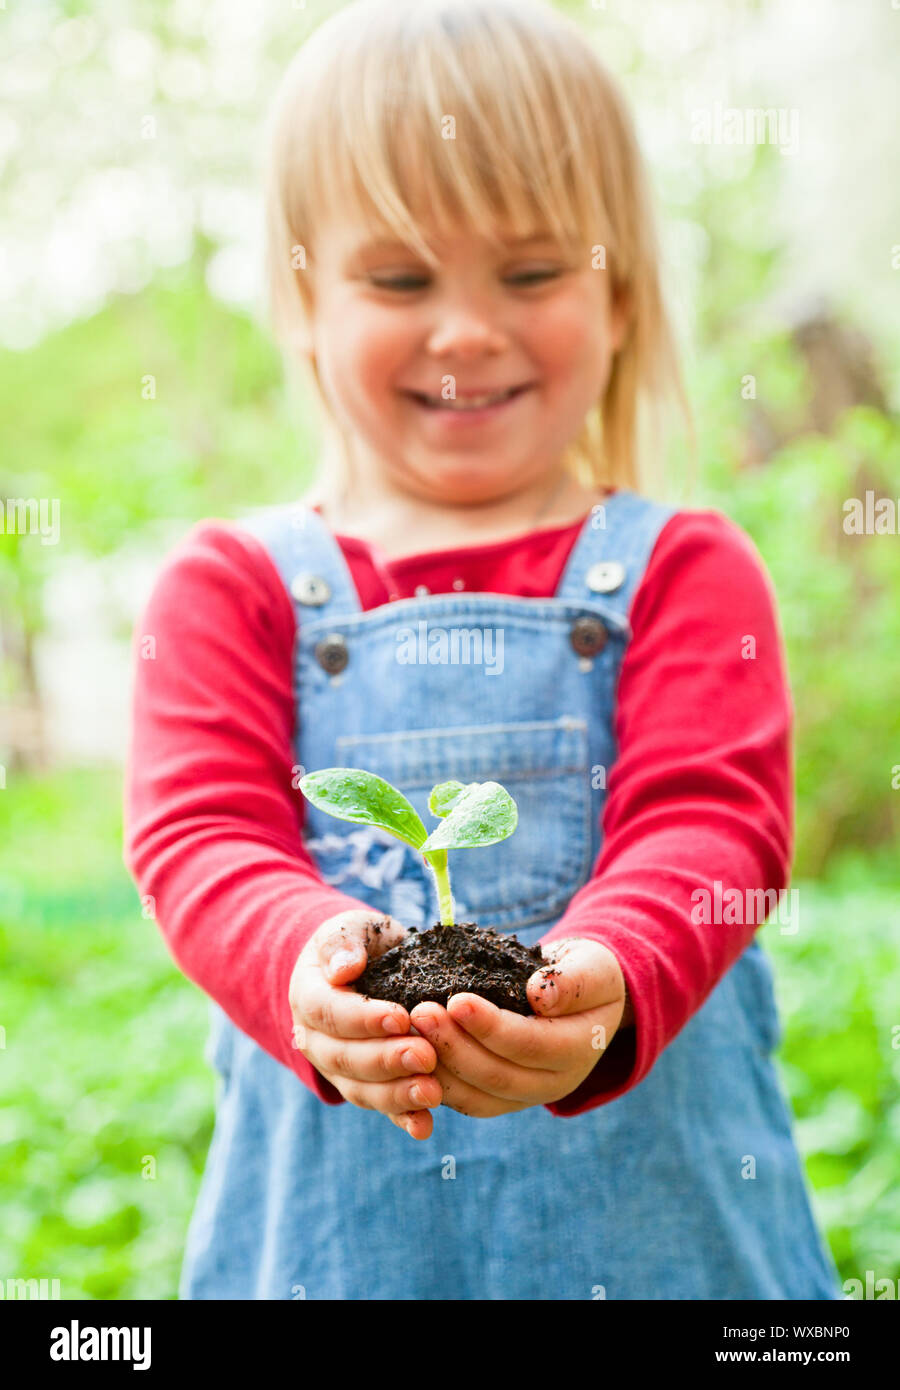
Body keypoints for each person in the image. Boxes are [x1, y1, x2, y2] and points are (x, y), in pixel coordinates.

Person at [124, 0, 841, 1300]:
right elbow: (201, 836)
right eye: (399, 279)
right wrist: (315, 961)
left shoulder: (685, 569)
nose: (464, 329)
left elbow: (713, 820)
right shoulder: (231, 588)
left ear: (619, 296)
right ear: (303, 299)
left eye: (530, 272)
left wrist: (607, 975)